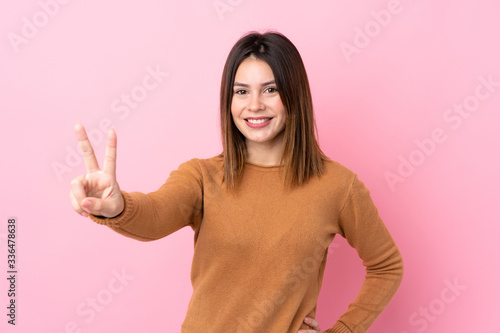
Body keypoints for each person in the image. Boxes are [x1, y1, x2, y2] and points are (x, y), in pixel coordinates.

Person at [69, 31, 403, 333]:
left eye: (270, 90)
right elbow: (155, 214)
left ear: (294, 95)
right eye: (241, 91)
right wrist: (117, 207)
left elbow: (386, 266)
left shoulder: (337, 186)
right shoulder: (202, 177)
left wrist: (344, 330)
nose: (254, 105)